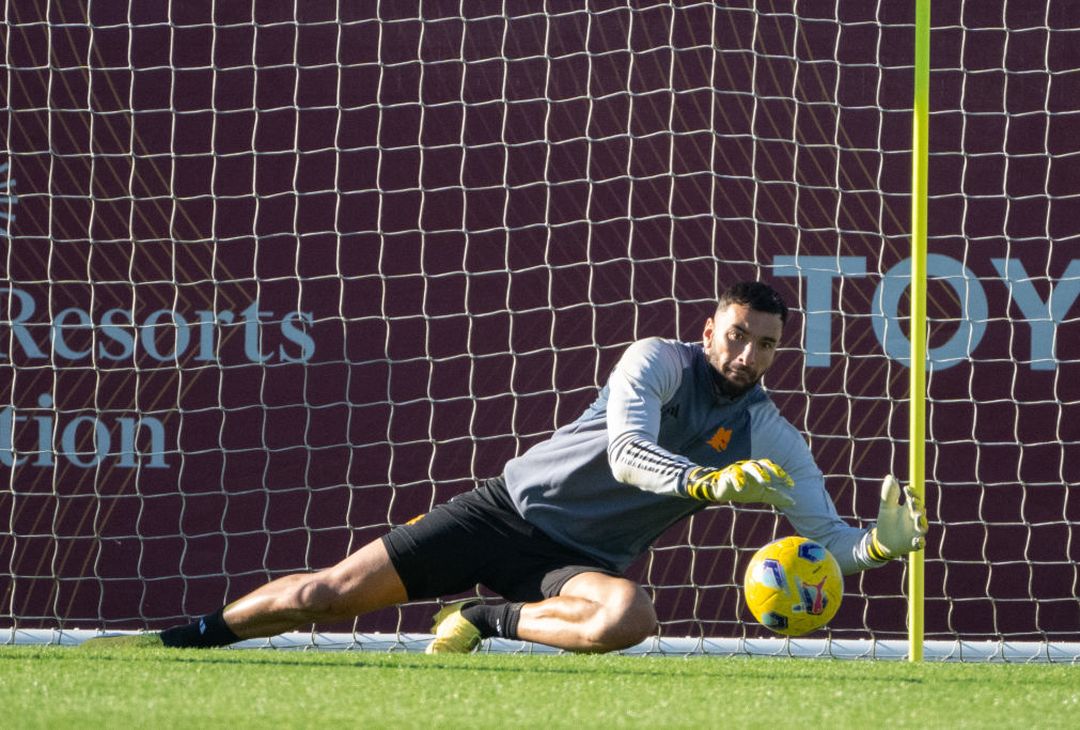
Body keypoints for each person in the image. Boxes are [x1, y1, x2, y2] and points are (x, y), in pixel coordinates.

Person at [84, 281, 927, 653]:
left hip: (576, 566)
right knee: (324, 597)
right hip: (505, 512)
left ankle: (488, 619)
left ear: (779, 353)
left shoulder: (769, 433)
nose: (747, 355)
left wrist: (876, 548)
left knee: (629, 619)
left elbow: (827, 540)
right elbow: (629, 455)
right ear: (710, 330)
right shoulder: (656, 361)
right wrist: (702, 482)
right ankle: (187, 637)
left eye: (766, 345)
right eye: (737, 336)